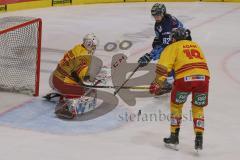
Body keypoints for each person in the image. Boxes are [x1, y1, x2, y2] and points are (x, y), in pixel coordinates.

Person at [149, 28, 210, 150]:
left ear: (174, 38)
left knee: (176, 106)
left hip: (184, 79)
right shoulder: (195, 45)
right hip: (203, 79)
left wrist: (157, 84)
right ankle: (199, 138)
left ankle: (174, 136)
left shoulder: (172, 47)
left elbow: (163, 68)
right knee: (198, 108)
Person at [48, 33, 99, 119]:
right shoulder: (84, 56)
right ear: (89, 44)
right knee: (82, 90)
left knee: (76, 81)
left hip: (54, 78)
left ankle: (62, 94)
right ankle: (68, 107)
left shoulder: (78, 47)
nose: (94, 48)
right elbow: (83, 77)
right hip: (61, 82)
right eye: (93, 46)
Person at [138, 3, 191, 68]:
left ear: (163, 13)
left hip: (183, 44)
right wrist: (154, 48)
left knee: (168, 61)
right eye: (154, 15)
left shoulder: (167, 22)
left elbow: (166, 44)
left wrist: (150, 56)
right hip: (177, 41)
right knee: (156, 43)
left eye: (158, 15)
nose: (155, 17)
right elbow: (161, 41)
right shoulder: (159, 24)